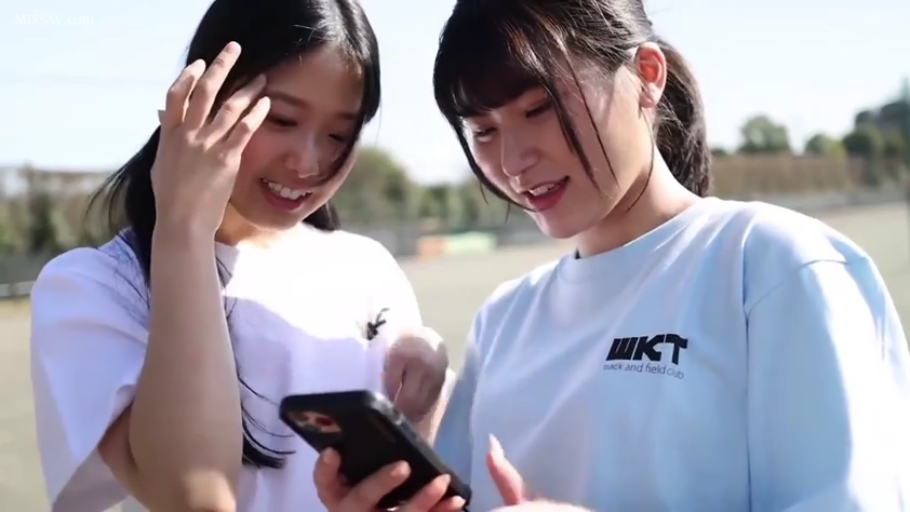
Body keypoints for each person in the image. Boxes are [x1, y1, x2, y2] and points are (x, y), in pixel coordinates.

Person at [312, 0, 910, 510]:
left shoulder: (773, 265)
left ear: (647, 75)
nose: (514, 160)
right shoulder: (503, 319)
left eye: (540, 108)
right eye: (484, 131)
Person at [28, 1, 453, 511]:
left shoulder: (368, 268)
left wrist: (425, 400)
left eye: (338, 134)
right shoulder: (93, 290)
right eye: (281, 119)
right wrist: (184, 227)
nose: (308, 161)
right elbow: (195, 496)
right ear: (201, 97)